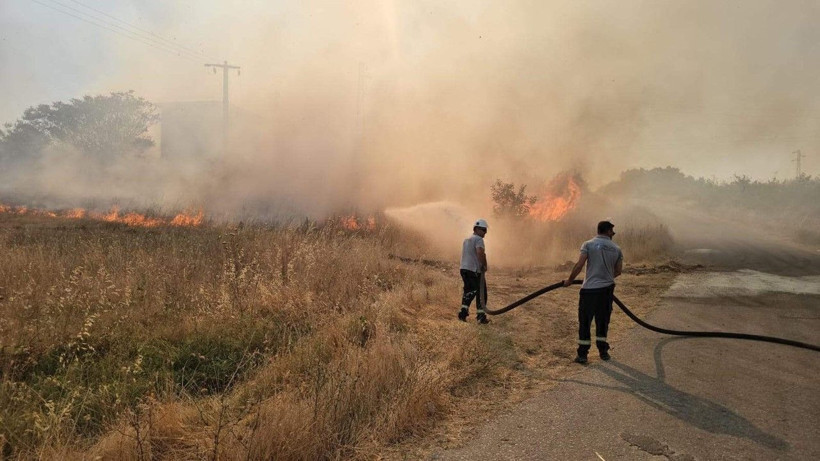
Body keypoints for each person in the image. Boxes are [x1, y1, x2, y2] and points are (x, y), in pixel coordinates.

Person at [563, 220, 623, 363]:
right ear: (607, 231)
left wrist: (570, 280)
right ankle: (603, 352)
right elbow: (618, 271)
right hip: (606, 291)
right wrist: (606, 277)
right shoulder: (617, 248)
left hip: (589, 290)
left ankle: (583, 355)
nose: (613, 234)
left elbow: (579, 265)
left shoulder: (588, 244)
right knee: (603, 321)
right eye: (612, 231)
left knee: (585, 321)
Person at [459, 219, 490, 324]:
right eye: (483, 230)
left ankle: (463, 313)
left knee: (469, 291)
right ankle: (480, 317)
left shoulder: (466, 239)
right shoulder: (478, 240)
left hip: (464, 268)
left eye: (486, 230)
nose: (485, 232)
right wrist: (483, 265)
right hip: (474, 270)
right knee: (481, 292)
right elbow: (480, 253)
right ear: (476, 229)